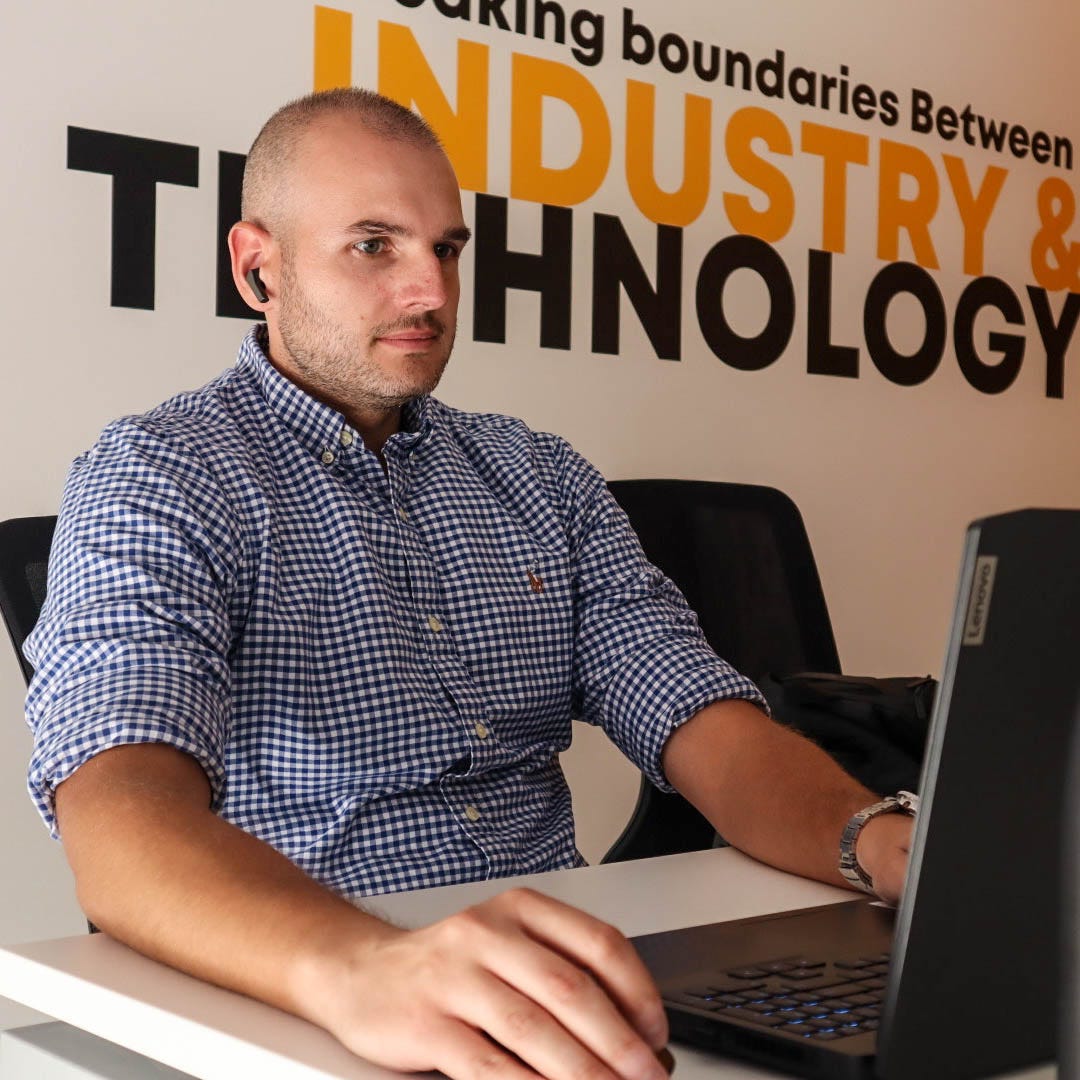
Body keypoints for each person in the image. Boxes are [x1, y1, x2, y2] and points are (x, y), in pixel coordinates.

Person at [25, 88, 913, 1080]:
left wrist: (877, 842)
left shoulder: (541, 476)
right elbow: (116, 809)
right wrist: (365, 971)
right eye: (374, 245)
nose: (430, 292)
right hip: (310, 997)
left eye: (445, 249)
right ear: (256, 266)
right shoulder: (161, 472)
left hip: (560, 981)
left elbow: (697, 715)